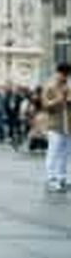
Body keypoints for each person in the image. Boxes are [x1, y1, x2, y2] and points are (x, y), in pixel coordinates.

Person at [42, 62, 71, 192]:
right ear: (58, 73)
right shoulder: (50, 86)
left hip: (68, 124)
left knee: (65, 153)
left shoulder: (69, 86)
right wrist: (59, 99)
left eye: (67, 75)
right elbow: (45, 105)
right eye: (63, 75)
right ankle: (51, 179)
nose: (65, 78)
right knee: (53, 153)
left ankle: (62, 177)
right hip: (55, 124)